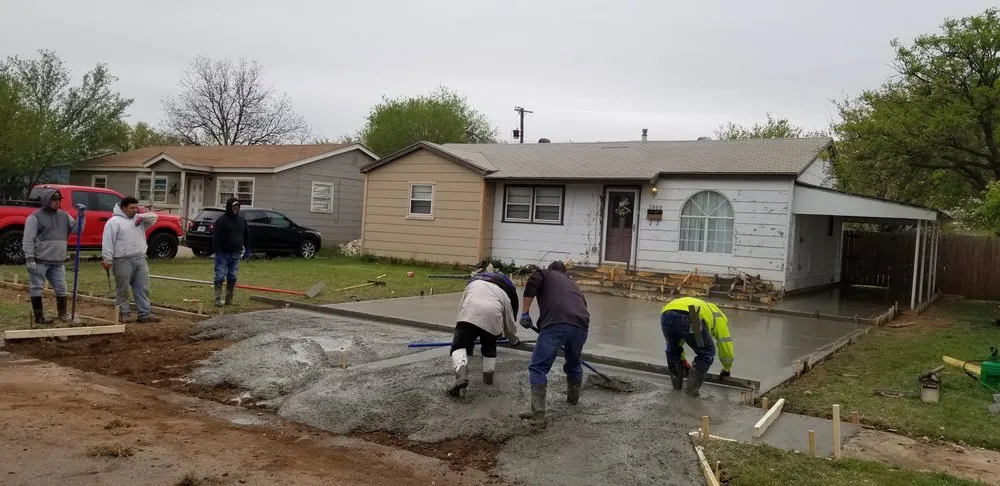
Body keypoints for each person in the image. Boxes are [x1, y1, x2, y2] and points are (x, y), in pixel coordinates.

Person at [518, 261, 590, 425]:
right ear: (564, 272)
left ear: (551, 269)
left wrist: (525, 313)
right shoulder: (573, 284)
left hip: (556, 323)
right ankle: (573, 402)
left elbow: (531, 284)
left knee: (538, 368)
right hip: (581, 326)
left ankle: (538, 415)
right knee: (573, 363)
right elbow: (583, 306)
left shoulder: (545, 273)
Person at [448, 271, 521, 397]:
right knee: (489, 349)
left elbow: (462, 306)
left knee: (458, 347)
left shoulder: (473, 284)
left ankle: (461, 376)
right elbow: (509, 323)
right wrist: (514, 340)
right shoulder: (503, 294)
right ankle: (488, 382)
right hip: (492, 319)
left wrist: (461, 328)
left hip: (469, 314)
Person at [22, 188, 85, 324]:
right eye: (54, 199)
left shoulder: (64, 215)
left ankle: (62, 314)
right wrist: (30, 259)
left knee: (62, 288)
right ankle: (39, 317)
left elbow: (77, 230)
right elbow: (28, 239)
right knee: (37, 287)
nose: (57, 202)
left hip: (58, 261)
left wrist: (81, 216)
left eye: (58, 199)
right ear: (46, 200)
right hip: (39, 260)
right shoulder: (34, 217)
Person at [659, 296, 735, 397]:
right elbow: (725, 345)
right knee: (707, 352)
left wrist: (683, 361)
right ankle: (691, 392)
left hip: (666, 312)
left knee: (673, 350)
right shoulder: (720, 319)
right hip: (692, 315)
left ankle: (676, 388)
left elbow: (679, 338)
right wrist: (726, 368)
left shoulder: (706, 309)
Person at [101, 196, 160, 323]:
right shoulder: (113, 222)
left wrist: (141, 217)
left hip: (139, 258)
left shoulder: (138, 220)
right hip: (122, 259)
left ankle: (144, 313)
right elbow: (108, 241)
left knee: (142, 288)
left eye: (136, 207)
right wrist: (107, 259)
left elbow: (154, 217)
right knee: (122, 288)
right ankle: (123, 313)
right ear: (123, 208)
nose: (134, 210)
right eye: (131, 208)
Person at [211, 197, 251, 307]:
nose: (236, 209)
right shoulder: (221, 221)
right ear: (229, 207)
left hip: (236, 254)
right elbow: (216, 237)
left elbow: (246, 236)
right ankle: (217, 299)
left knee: (232, 276)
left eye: (237, 207)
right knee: (220, 276)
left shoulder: (242, 221)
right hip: (223, 254)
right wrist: (218, 252)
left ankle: (229, 299)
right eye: (234, 207)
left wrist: (247, 250)